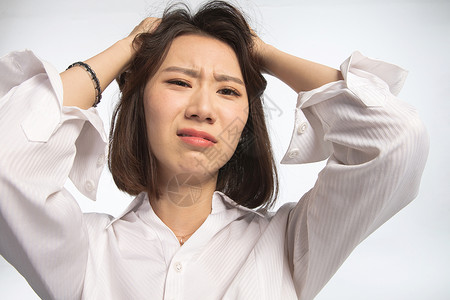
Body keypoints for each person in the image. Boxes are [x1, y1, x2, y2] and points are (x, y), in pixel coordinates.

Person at [0, 1, 429, 299]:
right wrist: (128, 50)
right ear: (139, 102)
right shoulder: (85, 252)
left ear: (245, 121)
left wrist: (260, 52)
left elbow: (396, 139)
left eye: (227, 90)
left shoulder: (287, 246)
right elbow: (8, 160)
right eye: (179, 82)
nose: (203, 109)